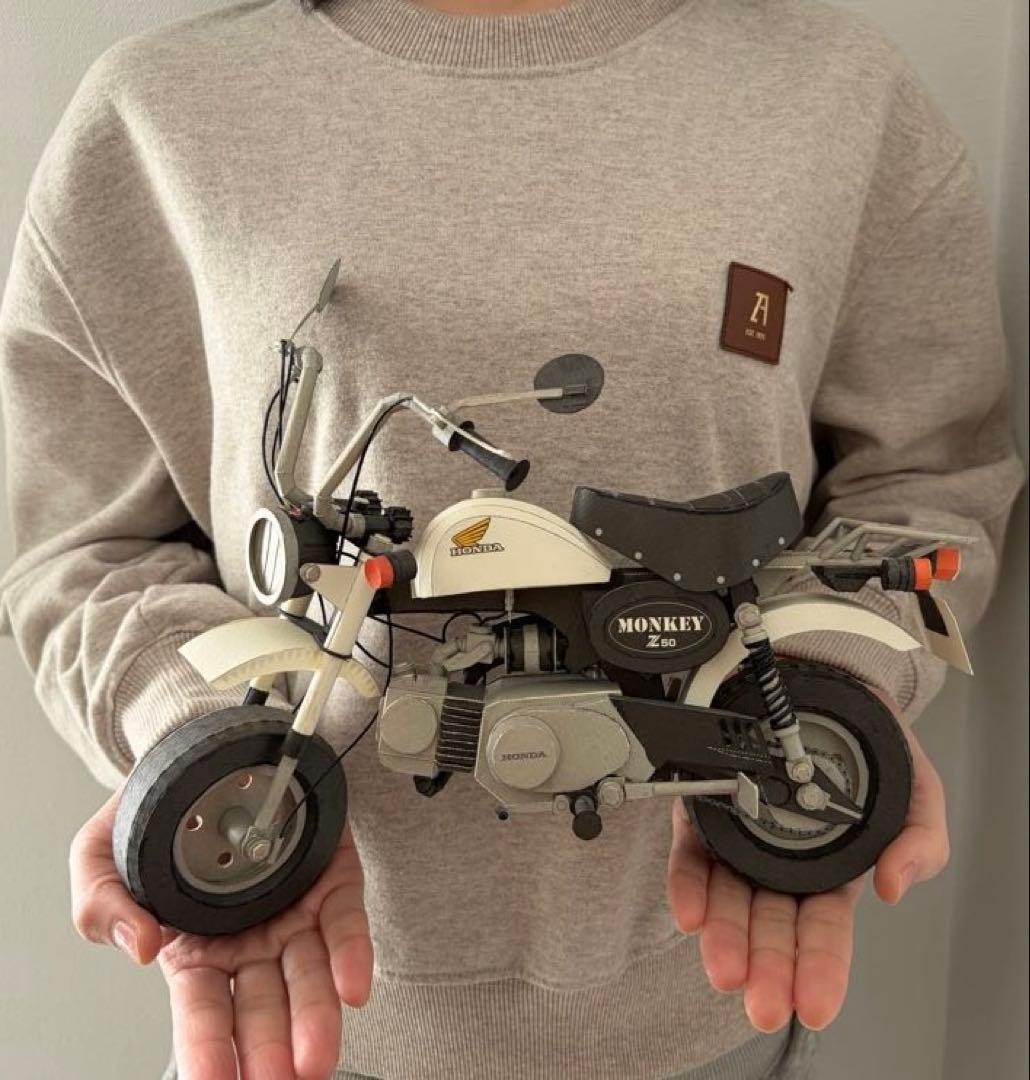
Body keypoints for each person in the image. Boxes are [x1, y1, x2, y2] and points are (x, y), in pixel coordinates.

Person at [0, 1, 1022, 1078]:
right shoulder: (161, 107)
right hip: (290, 1025)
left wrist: (847, 671)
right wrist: (180, 721)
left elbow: (929, 473)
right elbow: (79, 540)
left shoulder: (839, 91)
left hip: (707, 1011)